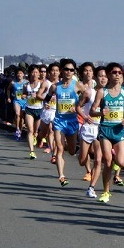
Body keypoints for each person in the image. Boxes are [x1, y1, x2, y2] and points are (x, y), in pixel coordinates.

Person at [90, 63, 124, 203]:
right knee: (107, 162)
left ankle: (115, 154)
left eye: (119, 72)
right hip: (105, 129)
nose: (117, 75)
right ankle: (105, 191)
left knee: (121, 162)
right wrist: (99, 112)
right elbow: (92, 110)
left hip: (119, 129)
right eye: (114, 72)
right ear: (109, 75)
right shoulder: (102, 92)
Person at [50, 59, 87, 187]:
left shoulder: (78, 85)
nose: (69, 72)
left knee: (71, 151)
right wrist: (48, 104)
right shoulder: (55, 86)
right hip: (59, 121)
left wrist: (78, 107)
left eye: (71, 70)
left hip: (72, 121)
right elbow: (47, 98)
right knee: (59, 148)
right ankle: (61, 176)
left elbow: (87, 98)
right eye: (66, 69)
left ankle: (70, 146)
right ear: (62, 71)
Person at [76, 66, 106, 198]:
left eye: (105, 76)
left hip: (101, 128)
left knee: (99, 160)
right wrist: (84, 116)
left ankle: (91, 187)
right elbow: (78, 107)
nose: (103, 78)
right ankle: (83, 155)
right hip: (88, 127)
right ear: (95, 77)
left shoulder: (111, 95)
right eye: (100, 76)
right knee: (82, 160)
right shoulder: (89, 92)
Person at [23, 65, 43, 159]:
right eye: (33, 72)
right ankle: (31, 151)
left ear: (39, 74)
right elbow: (24, 94)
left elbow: (46, 96)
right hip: (29, 109)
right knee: (30, 130)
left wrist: (38, 97)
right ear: (30, 73)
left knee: (35, 131)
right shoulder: (26, 85)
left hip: (39, 109)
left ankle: (36, 136)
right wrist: (23, 96)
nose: (34, 74)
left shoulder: (42, 84)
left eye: (36, 72)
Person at [7, 67, 28, 140]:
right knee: (17, 114)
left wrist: (26, 95)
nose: (19, 75)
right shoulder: (13, 82)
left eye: (21, 73)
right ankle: (17, 129)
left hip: (24, 101)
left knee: (22, 117)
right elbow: (8, 89)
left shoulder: (26, 82)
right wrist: (9, 97)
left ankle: (20, 131)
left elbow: (29, 92)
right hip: (16, 101)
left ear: (23, 74)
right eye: (18, 73)